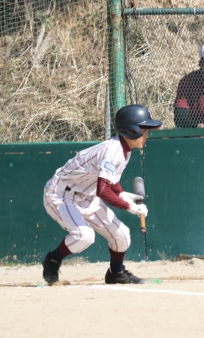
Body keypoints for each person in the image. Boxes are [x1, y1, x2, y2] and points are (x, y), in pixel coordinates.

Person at [41, 104, 162, 285]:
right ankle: (52, 260)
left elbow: (110, 181)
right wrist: (129, 206)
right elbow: (103, 190)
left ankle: (116, 273)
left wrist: (121, 194)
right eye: (144, 131)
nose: (147, 136)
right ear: (132, 130)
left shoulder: (125, 149)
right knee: (84, 236)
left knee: (122, 235)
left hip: (86, 196)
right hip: (61, 194)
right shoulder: (113, 150)